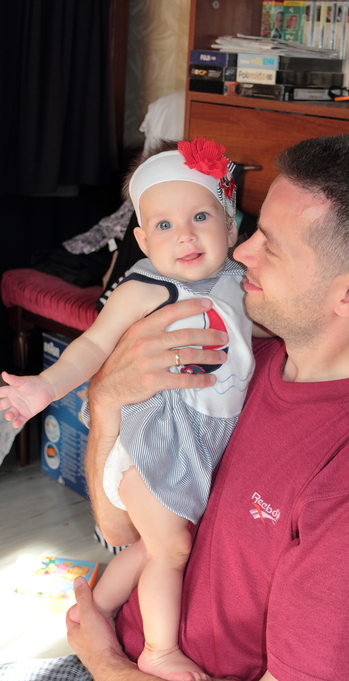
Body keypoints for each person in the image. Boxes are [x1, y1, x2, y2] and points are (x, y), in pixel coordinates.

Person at [0, 134, 349, 681]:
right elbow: (118, 530)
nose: (240, 253)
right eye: (252, 229)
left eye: (271, 246)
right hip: (115, 640)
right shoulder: (234, 357)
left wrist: (103, 660)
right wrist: (107, 398)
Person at [0, 137, 256, 681]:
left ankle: (95, 608)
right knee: (171, 549)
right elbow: (93, 346)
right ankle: (159, 651)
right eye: (163, 225)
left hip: (205, 442)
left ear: (231, 227)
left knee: (148, 547)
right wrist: (44, 387)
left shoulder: (241, 282)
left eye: (201, 216)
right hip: (153, 442)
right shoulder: (146, 289)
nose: (184, 234)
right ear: (141, 240)